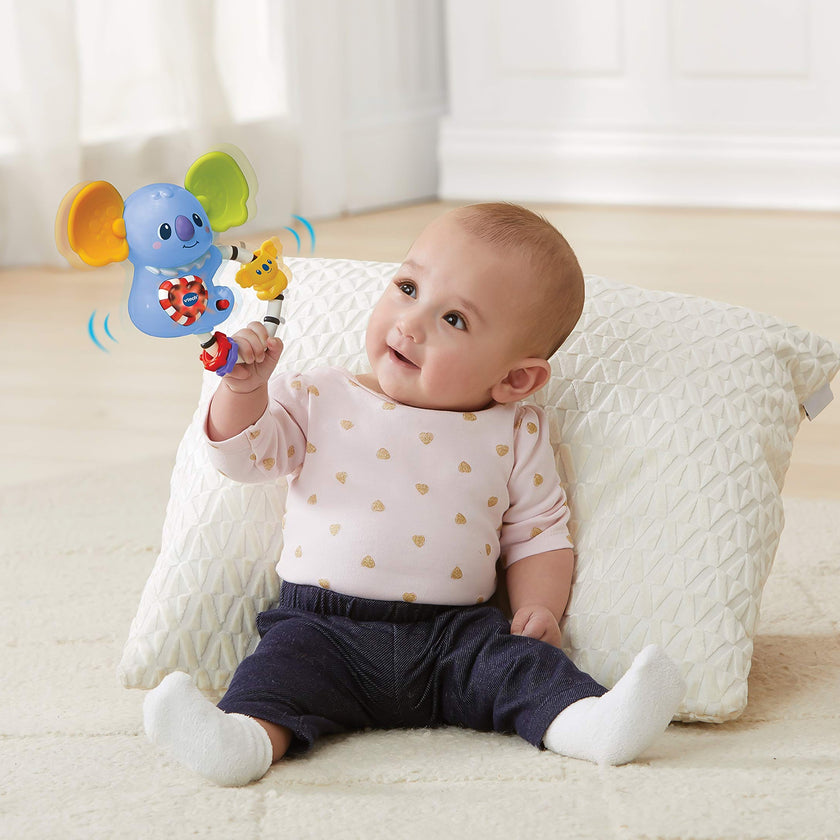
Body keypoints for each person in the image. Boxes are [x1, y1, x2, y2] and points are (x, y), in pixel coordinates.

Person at [144, 203, 685, 786]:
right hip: (322, 627)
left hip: (455, 636)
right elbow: (242, 457)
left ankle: (590, 724)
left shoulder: (513, 431)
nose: (411, 323)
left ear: (515, 379)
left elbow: (538, 532)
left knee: (525, 669)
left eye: (454, 320)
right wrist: (243, 390)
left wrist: (540, 610)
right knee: (275, 677)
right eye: (407, 287)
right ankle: (242, 740)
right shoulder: (320, 395)